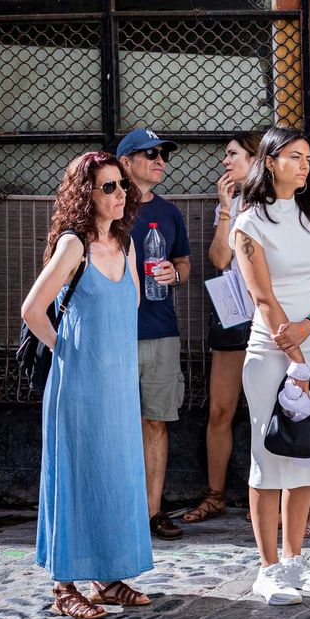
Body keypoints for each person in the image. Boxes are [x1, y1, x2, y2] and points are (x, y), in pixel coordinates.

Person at [21, 152, 153, 619]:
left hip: (117, 385)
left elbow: (129, 306)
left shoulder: (127, 242)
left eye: (122, 185)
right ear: (86, 194)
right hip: (78, 385)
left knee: (114, 475)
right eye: (108, 188)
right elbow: (32, 310)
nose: (120, 194)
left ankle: (106, 576)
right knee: (75, 477)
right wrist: (67, 352)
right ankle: (63, 585)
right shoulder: (73, 245)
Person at [234, 126, 310, 604]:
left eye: (308, 157)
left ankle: (295, 560)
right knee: (271, 454)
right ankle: (268, 568)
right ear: (271, 161)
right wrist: (293, 349)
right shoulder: (249, 224)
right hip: (272, 352)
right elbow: (262, 296)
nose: (304, 164)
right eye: (294, 156)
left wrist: (309, 327)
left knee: (308, 454)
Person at [181, 132, 261, 526]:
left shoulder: (277, 202)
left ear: (255, 158)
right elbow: (218, 257)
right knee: (220, 409)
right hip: (231, 310)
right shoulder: (229, 204)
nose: (226, 161)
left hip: (267, 313)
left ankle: (267, 495)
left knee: (267, 409)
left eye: (233, 154)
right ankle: (215, 495)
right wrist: (226, 209)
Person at [116, 127, 190, 542]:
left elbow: (184, 265)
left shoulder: (169, 212)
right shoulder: (106, 208)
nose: (160, 160)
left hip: (160, 332)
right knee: (115, 424)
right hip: (115, 334)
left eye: (163, 154)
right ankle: (119, 510)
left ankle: (153, 511)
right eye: (150, 154)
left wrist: (174, 275)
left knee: (156, 422)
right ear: (126, 162)